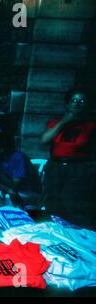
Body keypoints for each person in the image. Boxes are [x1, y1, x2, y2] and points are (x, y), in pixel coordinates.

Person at [40, 86, 96, 228]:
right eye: (74, 100)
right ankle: (54, 232)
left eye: (82, 101)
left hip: (77, 169)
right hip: (55, 167)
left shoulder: (90, 126)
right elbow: (44, 140)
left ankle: (74, 236)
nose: (77, 103)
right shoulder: (54, 123)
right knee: (52, 202)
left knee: (72, 204)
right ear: (67, 104)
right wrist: (64, 122)